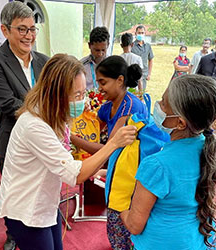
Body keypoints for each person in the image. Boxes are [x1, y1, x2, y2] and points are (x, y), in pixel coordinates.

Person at [0, 54, 137, 250]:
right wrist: (113, 144)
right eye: (77, 95)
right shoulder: (34, 125)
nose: (82, 99)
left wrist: (95, 167)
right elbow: (75, 174)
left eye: (83, 92)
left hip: (45, 204)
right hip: (26, 211)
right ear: (57, 94)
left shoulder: (53, 115)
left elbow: (62, 158)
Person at [120, 74, 216, 249]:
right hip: (200, 242)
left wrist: (120, 210)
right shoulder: (211, 151)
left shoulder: (157, 165)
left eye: (163, 104)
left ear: (180, 123)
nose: (158, 106)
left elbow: (134, 225)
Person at [0, 2, 49, 249]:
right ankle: (13, 233)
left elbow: (55, 95)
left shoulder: (45, 61)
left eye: (32, 29)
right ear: (5, 30)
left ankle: (43, 224)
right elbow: (9, 104)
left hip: (44, 138)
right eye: (22, 29)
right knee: (15, 193)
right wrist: (47, 114)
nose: (29, 36)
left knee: (42, 188)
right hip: (15, 139)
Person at [71, 56, 146, 249]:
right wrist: (85, 112)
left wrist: (71, 138)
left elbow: (107, 148)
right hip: (117, 169)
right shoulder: (111, 105)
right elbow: (95, 123)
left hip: (130, 177)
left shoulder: (130, 108)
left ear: (120, 80)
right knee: (114, 224)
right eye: (98, 83)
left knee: (122, 226)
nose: (99, 88)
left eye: (103, 82)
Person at [131, 25, 154, 91]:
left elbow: (150, 59)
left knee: (141, 94)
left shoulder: (148, 46)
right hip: (133, 75)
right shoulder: (132, 46)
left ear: (145, 33)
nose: (140, 34)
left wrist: (149, 74)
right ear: (135, 33)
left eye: (142, 33)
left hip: (144, 74)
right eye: (139, 33)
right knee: (133, 94)